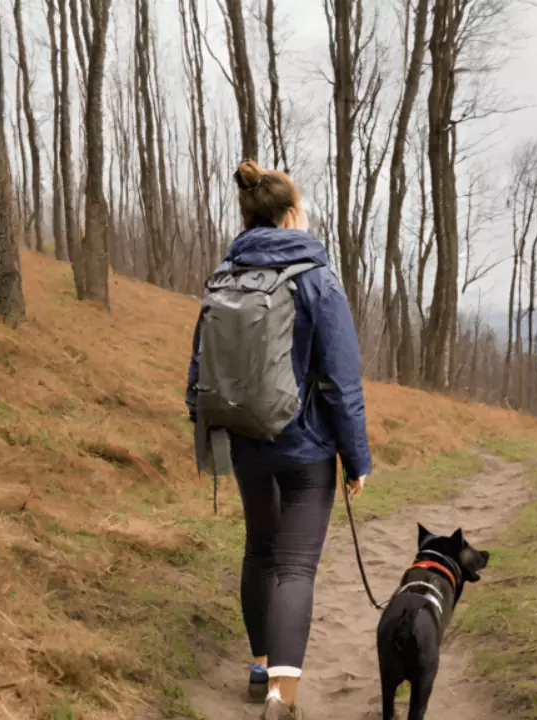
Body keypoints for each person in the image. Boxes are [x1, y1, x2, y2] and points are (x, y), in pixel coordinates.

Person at [186, 160, 372, 720]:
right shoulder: (317, 275)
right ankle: (280, 698)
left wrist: (207, 426)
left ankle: (261, 666)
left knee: (259, 551)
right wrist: (356, 458)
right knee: (295, 566)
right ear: (291, 213)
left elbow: (200, 362)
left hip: (244, 438)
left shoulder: (225, 273)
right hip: (307, 448)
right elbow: (341, 380)